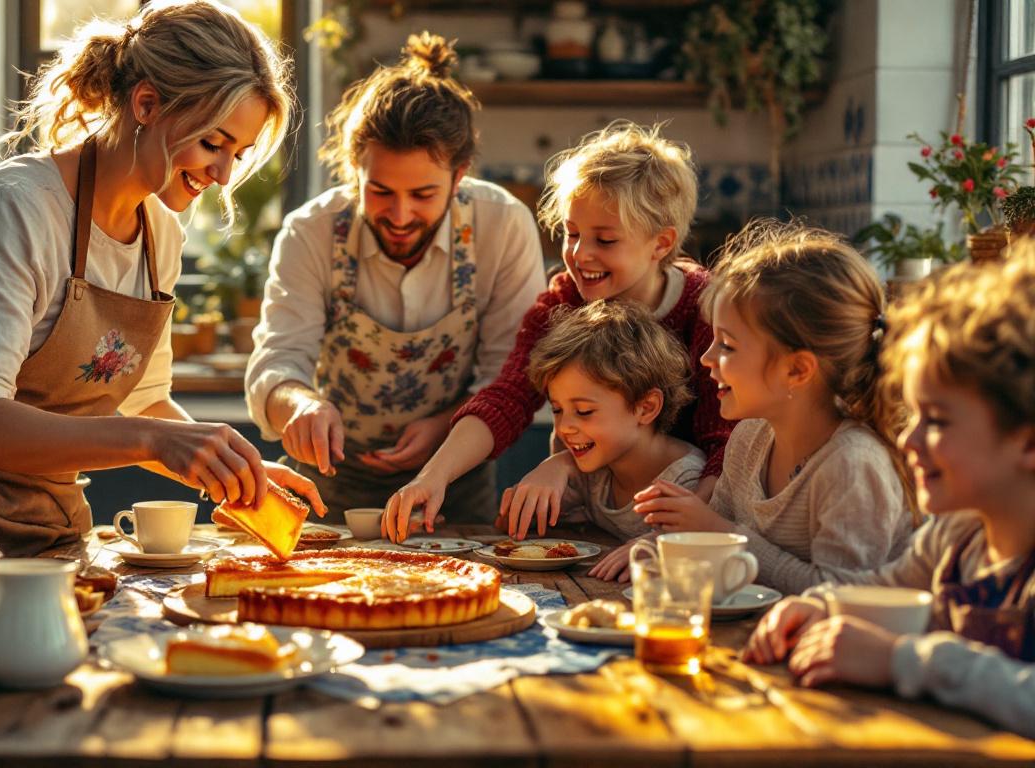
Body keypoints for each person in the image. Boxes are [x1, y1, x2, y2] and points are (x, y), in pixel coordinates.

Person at [0, 0, 322, 682]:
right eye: (213, 143)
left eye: (239, 153)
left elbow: (143, 402)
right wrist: (153, 443)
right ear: (146, 103)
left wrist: (225, 469)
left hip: (47, 523)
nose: (224, 174)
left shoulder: (159, 233)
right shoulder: (18, 207)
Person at [383, 121, 733, 542]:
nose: (581, 254)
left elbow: (725, 449)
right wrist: (432, 477)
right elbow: (508, 396)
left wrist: (661, 539)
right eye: (571, 233)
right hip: (593, 517)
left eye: (604, 240)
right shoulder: (563, 301)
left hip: (683, 525)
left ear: (661, 244)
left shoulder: (709, 310)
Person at [244, 33, 545, 519]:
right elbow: (278, 360)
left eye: (423, 195)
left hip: (454, 481)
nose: (400, 216)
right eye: (380, 191)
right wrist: (298, 404)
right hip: (328, 483)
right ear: (353, 169)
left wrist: (446, 425)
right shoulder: (311, 232)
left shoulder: (502, 225)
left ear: (460, 175)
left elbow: (509, 374)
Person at [743, 243, 1035, 738]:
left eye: (937, 421)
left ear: (1027, 441)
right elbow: (887, 587)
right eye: (913, 415)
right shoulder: (956, 536)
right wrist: (824, 605)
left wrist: (903, 659)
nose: (907, 440)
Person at [630, 220, 914, 594]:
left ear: (796, 369)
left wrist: (722, 532)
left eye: (727, 346)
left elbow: (840, 593)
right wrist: (659, 544)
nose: (705, 358)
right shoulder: (749, 439)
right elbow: (717, 545)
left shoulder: (852, 464)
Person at [519, 301, 705, 572]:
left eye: (583, 411)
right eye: (557, 409)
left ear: (646, 407)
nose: (564, 427)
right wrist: (547, 479)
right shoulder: (593, 471)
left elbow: (700, 555)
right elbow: (519, 530)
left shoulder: (686, 482)